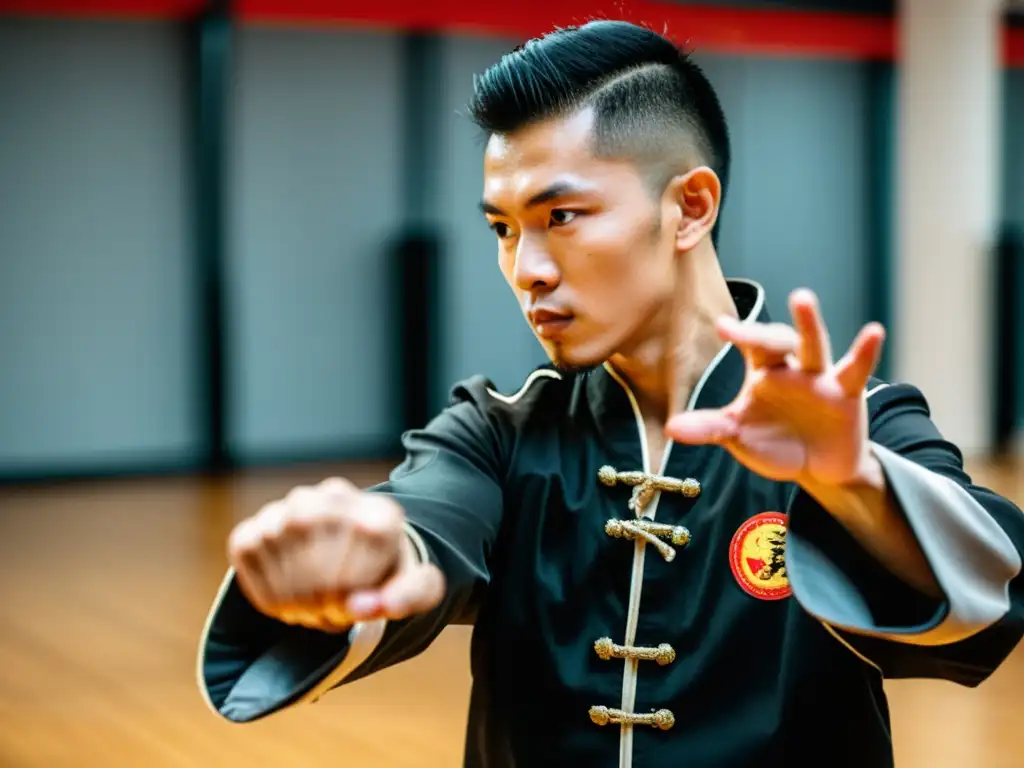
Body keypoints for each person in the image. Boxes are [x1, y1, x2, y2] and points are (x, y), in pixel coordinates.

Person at [196, 20, 1024, 768]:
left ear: (689, 207)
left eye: (561, 216)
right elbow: (426, 518)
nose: (527, 270)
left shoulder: (862, 426)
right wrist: (377, 561)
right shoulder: (498, 431)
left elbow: (992, 592)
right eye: (503, 228)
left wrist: (851, 484)